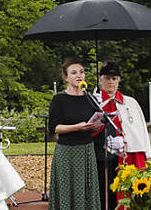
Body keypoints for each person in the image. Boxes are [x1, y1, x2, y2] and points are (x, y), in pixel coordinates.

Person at [93, 61, 151, 210]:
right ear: (100, 80)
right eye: (107, 78)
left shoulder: (130, 102)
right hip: (101, 154)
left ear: (119, 80)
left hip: (125, 155)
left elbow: (140, 129)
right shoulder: (94, 101)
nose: (111, 82)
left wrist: (146, 151)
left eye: (114, 79)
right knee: (102, 191)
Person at [47, 57, 101, 210]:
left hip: (86, 150)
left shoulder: (90, 99)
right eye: (74, 72)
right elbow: (54, 128)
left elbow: (94, 125)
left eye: (81, 72)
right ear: (66, 78)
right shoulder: (59, 99)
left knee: (86, 189)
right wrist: (76, 127)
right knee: (67, 189)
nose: (79, 75)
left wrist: (96, 125)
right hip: (67, 151)